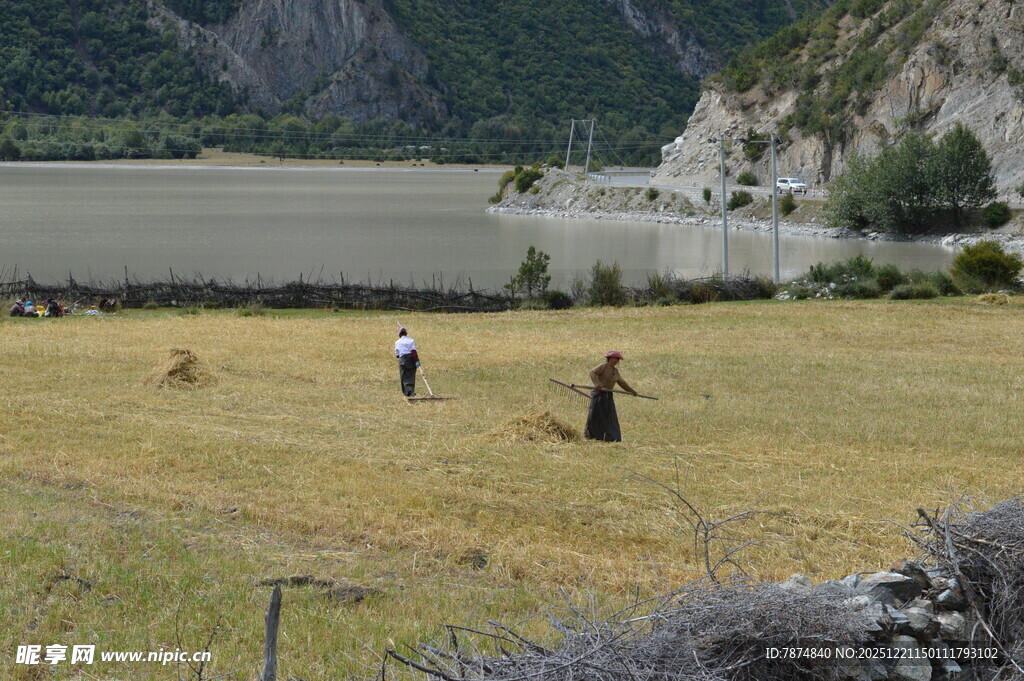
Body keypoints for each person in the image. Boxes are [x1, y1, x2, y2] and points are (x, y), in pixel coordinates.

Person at [584, 350, 638, 442]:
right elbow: (592, 372)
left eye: (616, 359)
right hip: (599, 395)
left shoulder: (615, 371)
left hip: (608, 395)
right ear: (608, 359)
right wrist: (597, 385)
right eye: (613, 358)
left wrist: (632, 391)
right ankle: (594, 436)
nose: (614, 360)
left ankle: (610, 437)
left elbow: (622, 382)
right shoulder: (603, 366)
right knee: (596, 416)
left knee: (609, 416)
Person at [394, 326, 420, 397]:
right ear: (406, 333)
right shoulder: (411, 340)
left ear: (399, 334)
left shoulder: (397, 342)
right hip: (411, 359)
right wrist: (417, 361)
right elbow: (413, 351)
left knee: (404, 376)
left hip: (402, 359)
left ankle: (408, 392)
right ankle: (411, 391)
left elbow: (397, 354)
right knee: (411, 375)